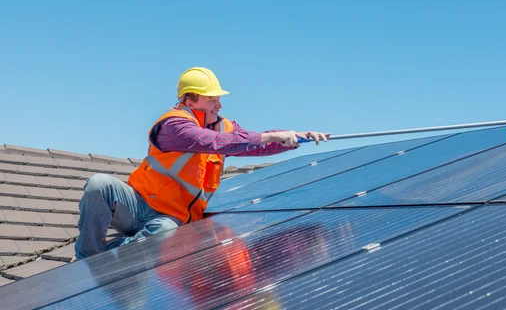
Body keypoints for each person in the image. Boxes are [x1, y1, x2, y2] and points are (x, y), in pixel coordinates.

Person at [73, 67, 329, 260]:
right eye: (212, 99)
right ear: (190, 100)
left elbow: (252, 143)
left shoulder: (225, 128)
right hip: (136, 203)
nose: (219, 104)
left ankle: (105, 259)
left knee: (162, 235)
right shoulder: (173, 125)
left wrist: (296, 138)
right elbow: (212, 142)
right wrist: (270, 136)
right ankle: (88, 255)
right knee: (99, 184)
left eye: (218, 99)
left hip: (170, 218)